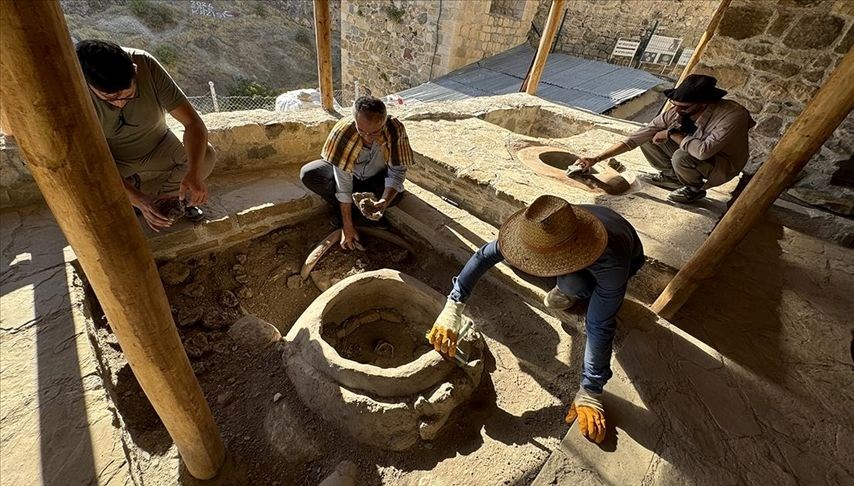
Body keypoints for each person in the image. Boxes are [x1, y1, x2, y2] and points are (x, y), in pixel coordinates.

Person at [427, 195, 644, 444]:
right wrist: (453, 306)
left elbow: (599, 325)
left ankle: (577, 289)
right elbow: (482, 257)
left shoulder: (610, 261)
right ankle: (571, 286)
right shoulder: (538, 227)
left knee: (581, 291)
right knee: (567, 282)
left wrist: (591, 389)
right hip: (577, 241)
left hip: (625, 255)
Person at [76, 39, 216, 231]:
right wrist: (139, 200)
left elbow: (193, 123)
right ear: (88, 84)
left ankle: (172, 200)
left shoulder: (144, 63)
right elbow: (89, 163)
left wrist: (193, 172)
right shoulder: (73, 87)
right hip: (111, 159)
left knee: (205, 157)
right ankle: (137, 200)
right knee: (86, 190)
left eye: (128, 93)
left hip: (158, 144)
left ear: (134, 69)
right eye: (110, 98)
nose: (120, 103)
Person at [575, 74, 755, 204]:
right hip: (692, 149)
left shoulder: (732, 115)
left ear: (703, 103)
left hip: (722, 162)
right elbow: (636, 138)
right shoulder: (679, 110)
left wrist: (671, 134)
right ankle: (672, 177)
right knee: (650, 137)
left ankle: (693, 189)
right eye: (675, 105)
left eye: (683, 107)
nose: (677, 110)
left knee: (682, 157)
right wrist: (597, 158)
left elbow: (703, 151)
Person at [300, 96, 414, 249]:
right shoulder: (344, 132)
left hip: (375, 179)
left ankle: (366, 214)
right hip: (350, 175)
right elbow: (343, 183)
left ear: (384, 121)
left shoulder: (394, 129)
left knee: (396, 196)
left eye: (375, 132)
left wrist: (384, 202)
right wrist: (347, 226)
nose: (368, 138)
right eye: (362, 131)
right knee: (309, 174)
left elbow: (397, 172)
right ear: (354, 121)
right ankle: (350, 215)